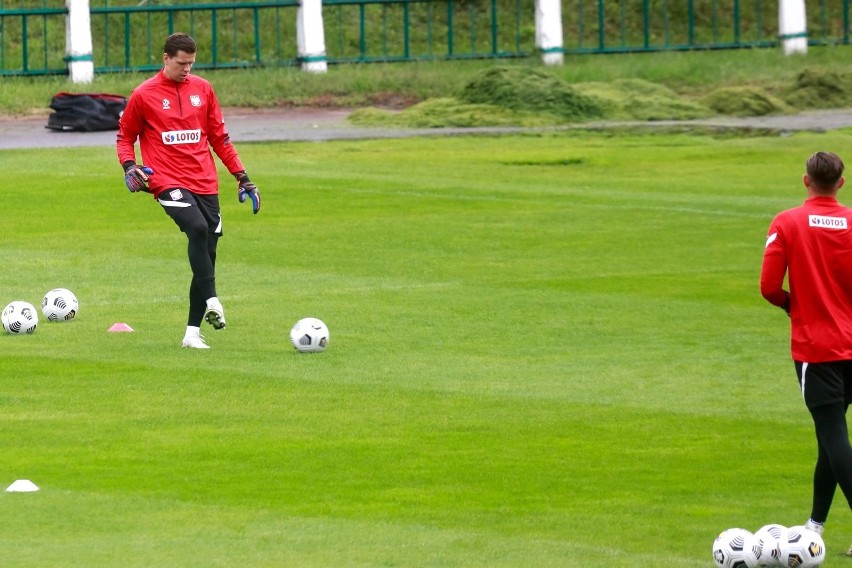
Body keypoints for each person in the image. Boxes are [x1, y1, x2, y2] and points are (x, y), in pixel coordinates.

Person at [116, 32, 261, 349]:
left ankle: (192, 334)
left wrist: (242, 176)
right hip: (166, 179)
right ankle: (214, 300)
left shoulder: (203, 90)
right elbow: (125, 137)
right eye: (182, 63)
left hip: (205, 181)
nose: (187, 70)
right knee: (196, 228)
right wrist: (130, 167)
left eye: (191, 64)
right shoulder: (144, 95)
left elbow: (219, 138)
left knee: (207, 253)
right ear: (166, 58)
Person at [760, 151, 852, 549]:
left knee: (833, 434)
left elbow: (768, 287)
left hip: (818, 349)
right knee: (829, 440)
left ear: (805, 180)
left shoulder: (788, 222)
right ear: (841, 184)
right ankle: (814, 525)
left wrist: (790, 305)